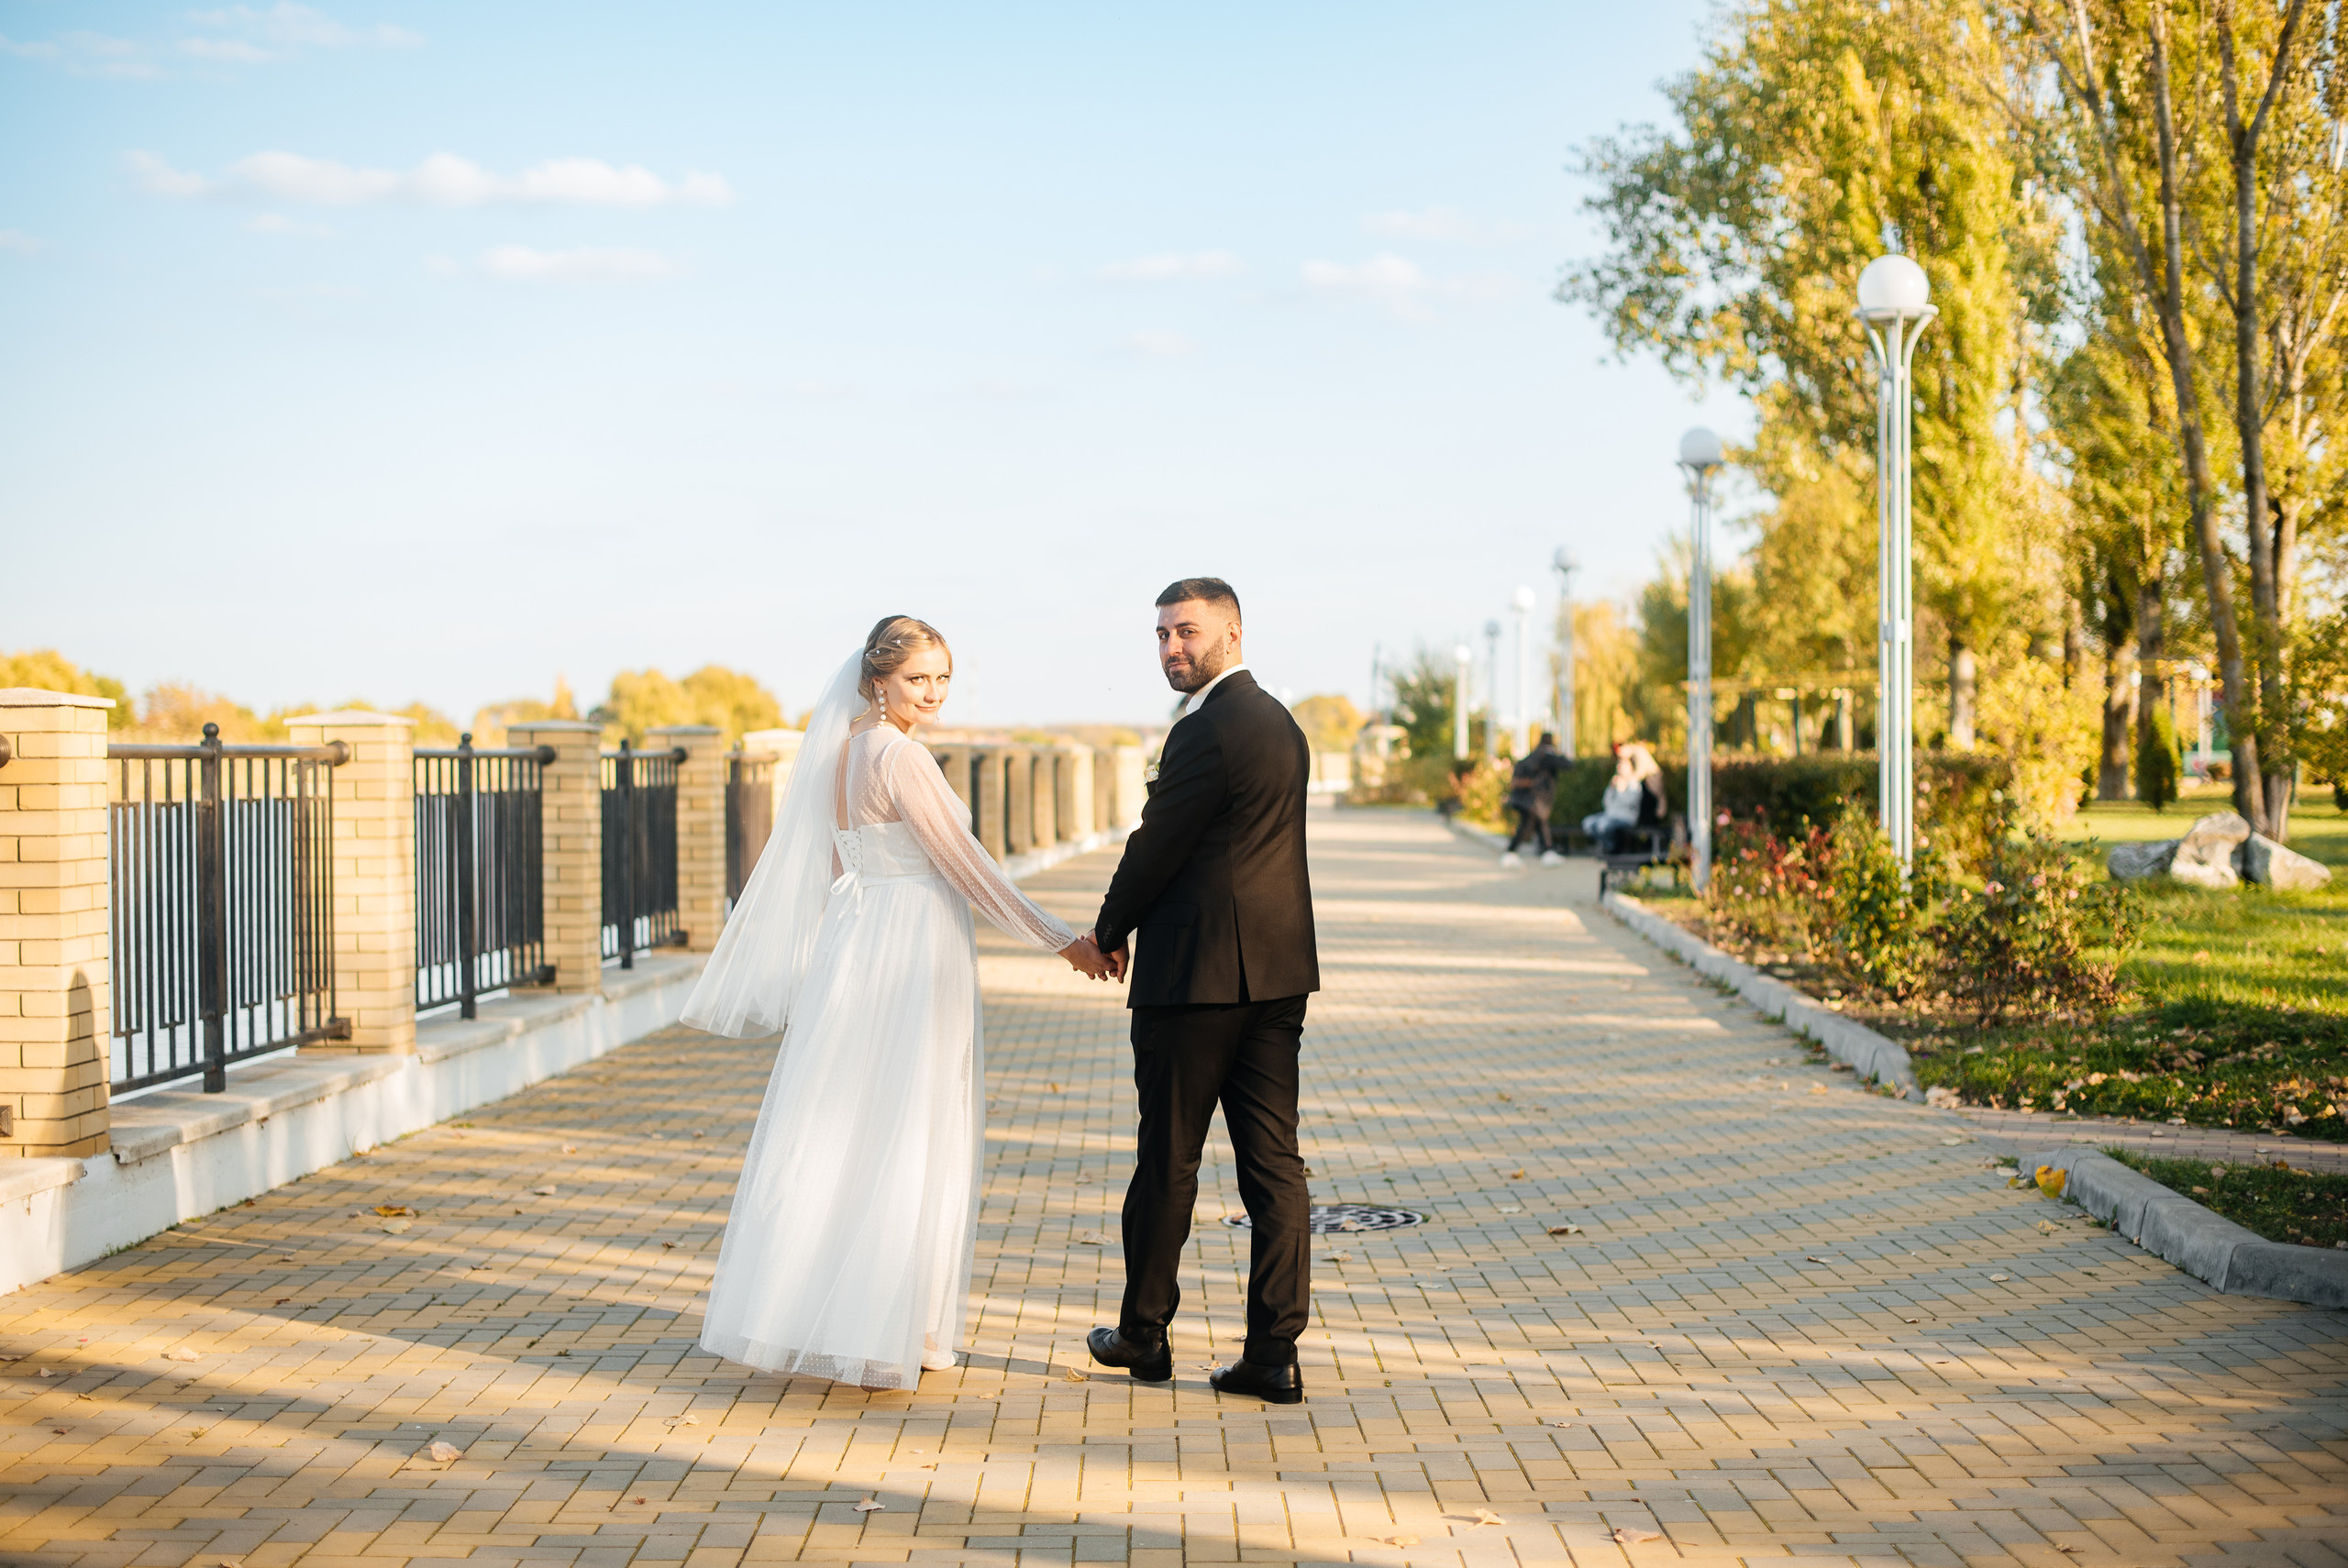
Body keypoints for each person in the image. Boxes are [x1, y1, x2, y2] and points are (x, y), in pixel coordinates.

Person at [680, 615, 1111, 1391]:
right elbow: (967, 868)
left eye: (943, 678)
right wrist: (1060, 939)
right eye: (919, 679)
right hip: (912, 944)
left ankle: (831, 1311)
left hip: (860, 935)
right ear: (877, 681)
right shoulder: (901, 757)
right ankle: (893, 1325)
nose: (934, 693)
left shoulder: (841, 755)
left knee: (849, 1122)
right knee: (910, 1124)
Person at [1080, 578, 1320, 1406]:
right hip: (1277, 978)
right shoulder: (1281, 724)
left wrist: (1109, 932)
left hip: (1194, 981)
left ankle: (1143, 1336)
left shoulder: (1207, 729)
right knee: (1274, 1169)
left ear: (1233, 629)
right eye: (1160, 636)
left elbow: (1155, 848)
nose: (1171, 648)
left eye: (1186, 631)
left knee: (1168, 1162)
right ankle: (1272, 1356)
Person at [1580, 743, 1665, 855]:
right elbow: (1606, 803)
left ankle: (1614, 848)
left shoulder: (1634, 781)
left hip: (1625, 817)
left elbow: (1630, 802)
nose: (1619, 767)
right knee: (1588, 823)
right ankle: (1610, 847)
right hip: (1612, 815)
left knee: (1603, 826)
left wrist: (1621, 789)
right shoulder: (1617, 781)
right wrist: (1612, 789)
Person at [1499, 732, 1566, 868]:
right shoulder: (1545, 757)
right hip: (1529, 800)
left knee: (1538, 822)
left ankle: (1546, 851)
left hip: (1524, 799)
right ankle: (1512, 852)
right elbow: (1567, 764)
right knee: (1529, 823)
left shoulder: (1532, 756)